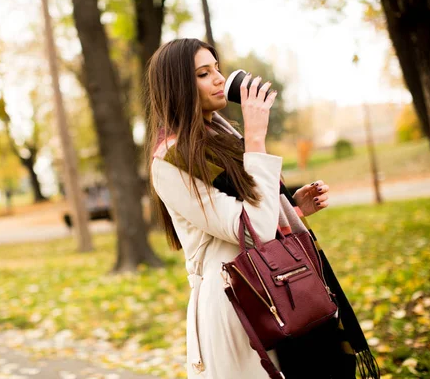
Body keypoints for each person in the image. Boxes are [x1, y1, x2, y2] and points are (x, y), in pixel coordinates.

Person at [145, 39, 378, 378]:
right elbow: (252, 229)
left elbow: (258, 216)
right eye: (203, 73)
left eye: (217, 69)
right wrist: (255, 140)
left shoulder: (223, 139)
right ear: (177, 84)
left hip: (280, 286)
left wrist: (292, 211)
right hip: (239, 300)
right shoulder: (170, 161)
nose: (218, 79)